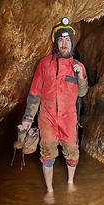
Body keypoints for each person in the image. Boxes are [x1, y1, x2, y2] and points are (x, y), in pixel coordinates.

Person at [21, 17, 88, 193]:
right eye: (60, 39)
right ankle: (50, 191)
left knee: (72, 152)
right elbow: (35, 93)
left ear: (72, 43)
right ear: (56, 42)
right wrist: (28, 119)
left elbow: (82, 92)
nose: (64, 43)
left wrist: (81, 76)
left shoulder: (77, 66)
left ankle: (70, 183)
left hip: (69, 117)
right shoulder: (44, 64)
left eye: (67, 39)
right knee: (47, 152)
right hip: (47, 116)